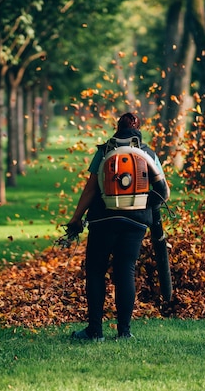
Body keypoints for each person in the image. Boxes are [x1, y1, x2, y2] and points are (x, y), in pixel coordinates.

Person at [67, 112, 169, 341]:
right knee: (126, 271)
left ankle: (95, 331)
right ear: (138, 129)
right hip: (135, 222)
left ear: (116, 128)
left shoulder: (104, 151)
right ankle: (124, 331)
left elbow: (91, 189)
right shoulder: (147, 153)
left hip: (103, 220)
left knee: (95, 271)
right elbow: (164, 192)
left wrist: (76, 219)